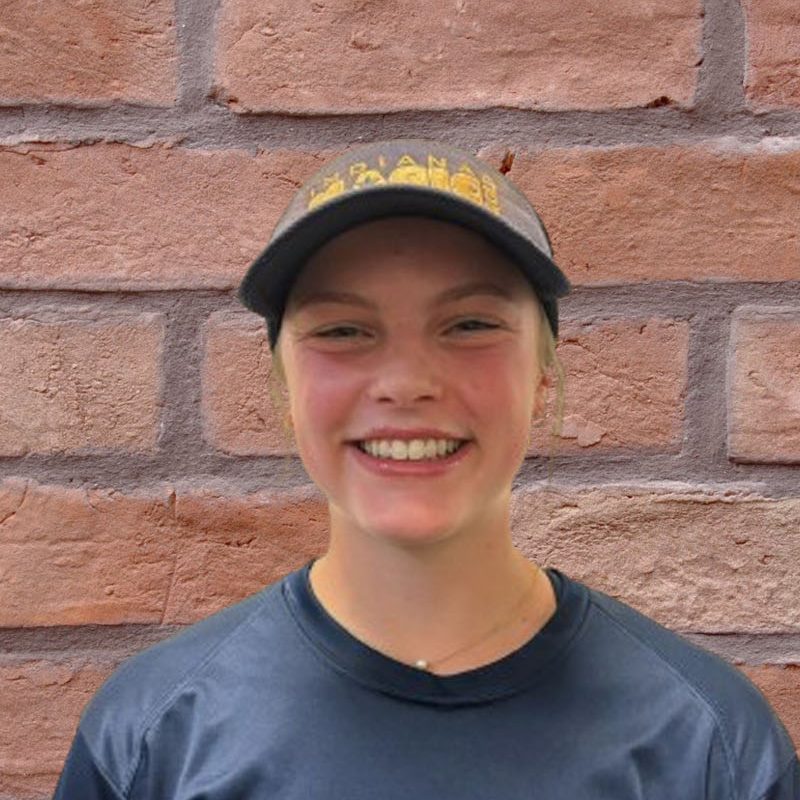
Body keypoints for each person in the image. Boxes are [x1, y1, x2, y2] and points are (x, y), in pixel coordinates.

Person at [53, 138, 798, 798]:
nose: (406, 383)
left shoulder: (708, 746)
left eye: (469, 324)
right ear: (283, 386)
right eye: (344, 330)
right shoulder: (152, 740)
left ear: (542, 377)